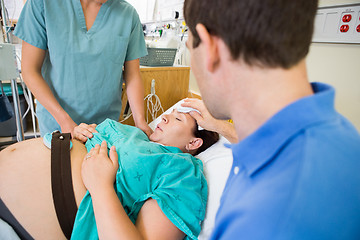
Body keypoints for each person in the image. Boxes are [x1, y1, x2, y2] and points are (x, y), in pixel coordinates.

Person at [180, 0, 360, 239]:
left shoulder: (263, 221)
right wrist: (220, 126)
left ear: (211, 48)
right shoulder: (339, 133)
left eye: (190, 47)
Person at [0, 110, 219, 240]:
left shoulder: (182, 172)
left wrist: (101, 187)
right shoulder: (135, 136)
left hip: (18, 221)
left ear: (194, 142)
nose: (164, 118)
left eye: (178, 119)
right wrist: (78, 136)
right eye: (169, 115)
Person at [14, 0, 153, 137]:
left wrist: (140, 121)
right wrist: (64, 121)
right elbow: (30, 71)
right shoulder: (43, 4)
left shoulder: (127, 14)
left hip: (104, 128)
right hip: (57, 124)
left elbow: (132, 75)